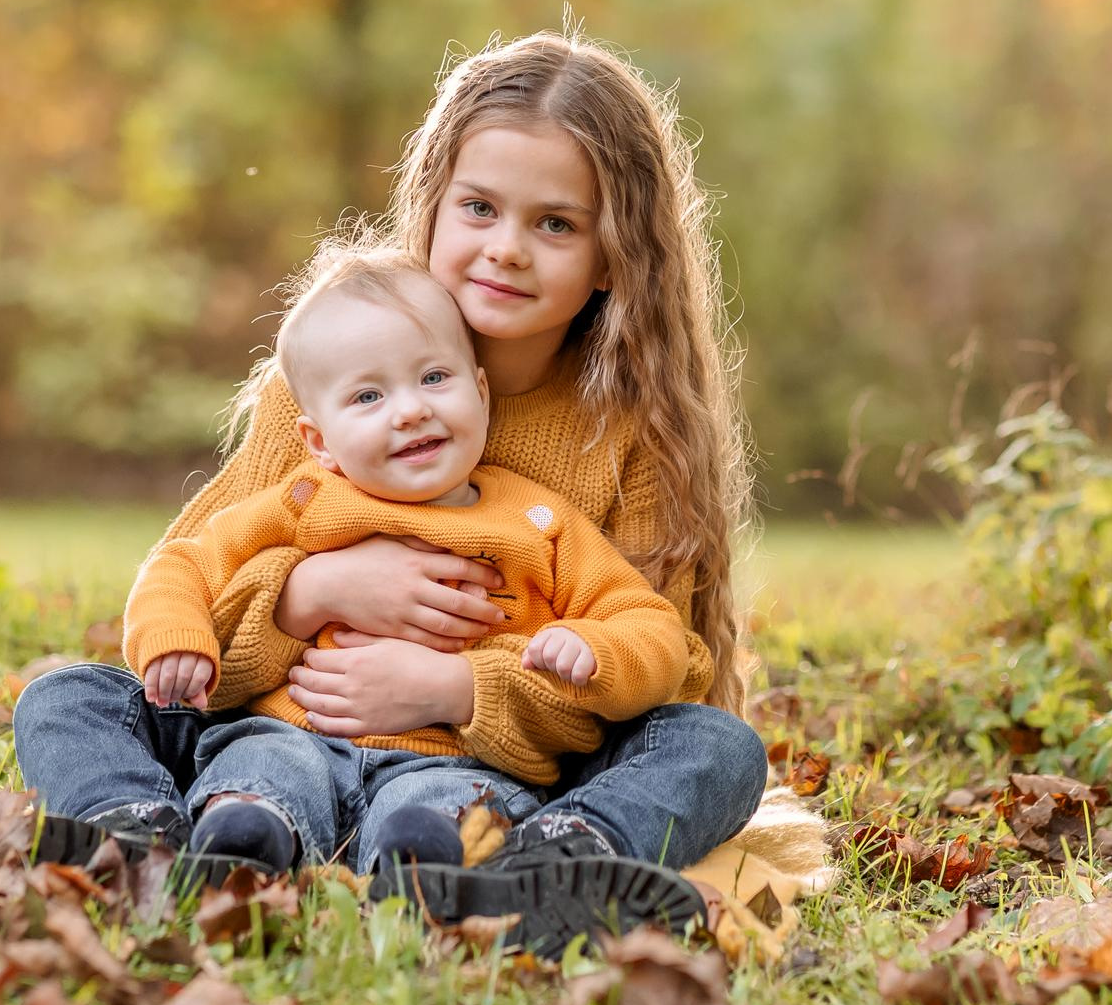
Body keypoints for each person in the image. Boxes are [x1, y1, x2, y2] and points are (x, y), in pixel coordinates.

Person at [0, 29, 766, 955]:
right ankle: (137, 832)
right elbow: (182, 626)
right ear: (433, 205)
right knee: (69, 695)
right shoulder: (326, 379)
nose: (507, 249)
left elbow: (650, 668)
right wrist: (316, 594)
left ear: (614, 253)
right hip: (282, 729)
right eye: (479, 207)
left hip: (496, 767)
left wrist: (460, 684)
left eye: (555, 223)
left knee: (716, 746)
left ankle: (551, 862)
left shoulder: (628, 430)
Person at [122, 246, 705, 930]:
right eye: (370, 396)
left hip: (447, 754)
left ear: (480, 392)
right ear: (319, 440)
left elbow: (650, 622)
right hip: (297, 731)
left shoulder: (538, 521)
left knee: (443, 804)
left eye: (434, 377)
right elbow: (184, 562)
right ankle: (244, 846)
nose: (410, 411)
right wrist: (178, 636)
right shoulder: (306, 499)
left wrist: (593, 645)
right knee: (258, 766)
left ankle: (419, 869)